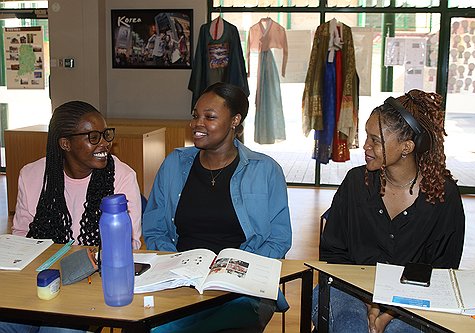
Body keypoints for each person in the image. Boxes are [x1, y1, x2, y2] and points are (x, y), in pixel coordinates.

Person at [142, 82, 292, 333]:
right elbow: (154, 228)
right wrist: (178, 265)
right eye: (195, 116)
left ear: (235, 120)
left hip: (241, 286)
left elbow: (278, 240)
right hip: (181, 279)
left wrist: (235, 271)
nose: (197, 124)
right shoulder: (174, 164)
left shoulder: (265, 170)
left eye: (209, 117)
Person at [311, 90, 465, 333]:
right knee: (350, 326)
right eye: (366, 137)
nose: (365, 146)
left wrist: (389, 311)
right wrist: (370, 300)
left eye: (376, 140)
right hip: (350, 288)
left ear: (407, 146)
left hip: (416, 298)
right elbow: (334, 253)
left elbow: (441, 269)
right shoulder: (355, 183)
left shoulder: (443, 196)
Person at [2, 101, 142, 333]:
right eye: (93, 137)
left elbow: (130, 245)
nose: (105, 144)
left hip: (91, 285)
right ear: (65, 143)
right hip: (39, 279)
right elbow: (21, 239)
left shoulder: (122, 177)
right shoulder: (31, 175)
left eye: (105, 135)